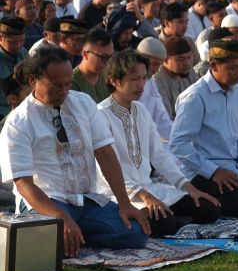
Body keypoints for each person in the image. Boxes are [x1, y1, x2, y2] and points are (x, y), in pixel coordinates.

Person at [0, 46, 151, 256]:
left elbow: (105, 154)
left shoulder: (84, 103)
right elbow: (24, 184)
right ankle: (69, 237)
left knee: (135, 233)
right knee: (51, 244)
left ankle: (77, 237)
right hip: (46, 202)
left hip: (86, 200)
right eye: (56, 86)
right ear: (34, 80)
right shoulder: (18, 122)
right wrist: (61, 217)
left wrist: (124, 203)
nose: (64, 91)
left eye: (68, 84)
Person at [98, 49, 221, 236]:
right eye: (134, 79)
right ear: (115, 81)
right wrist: (145, 196)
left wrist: (188, 187)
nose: (141, 85)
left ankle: (172, 219)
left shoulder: (140, 109)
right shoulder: (101, 115)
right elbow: (106, 169)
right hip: (119, 195)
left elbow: (159, 155)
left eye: (143, 78)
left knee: (207, 208)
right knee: (165, 222)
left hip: (148, 188)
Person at [169, 40, 238, 217]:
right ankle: (190, 203)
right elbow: (178, 144)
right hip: (204, 173)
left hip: (235, 168)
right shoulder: (195, 96)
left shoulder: (235, 89)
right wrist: (214, 172)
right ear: (214, 66)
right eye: (233, 68)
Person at [154, 36, 198, 120]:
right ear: (165, 60)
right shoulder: (157, 81)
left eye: (189, 58)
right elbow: (166, 119)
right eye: (180, 60)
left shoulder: (190, 72)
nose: (187, 63)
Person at [71, 27, 115, 103]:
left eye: (111, 56)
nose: (108, 62)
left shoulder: (109, 76)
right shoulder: (70, 83)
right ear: (85, 54)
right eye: (104, 57)